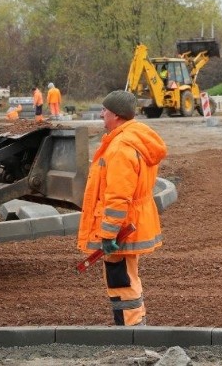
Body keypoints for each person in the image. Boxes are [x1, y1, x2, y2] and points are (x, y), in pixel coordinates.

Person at [77, 90, 167, 327]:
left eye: (104, 111)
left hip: (121, 231)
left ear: (116, 115)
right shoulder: (136, 138)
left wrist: (108, 235)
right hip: (132, 223)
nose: (101, 115)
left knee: (122, 282)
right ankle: (136, 327)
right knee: (128, 278)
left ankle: (131, 333)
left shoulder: (120, 148)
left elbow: (117, 198)